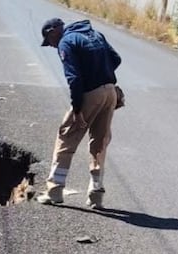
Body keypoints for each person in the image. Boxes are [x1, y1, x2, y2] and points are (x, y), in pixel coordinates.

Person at [37, 17, 121, 209]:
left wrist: (77, 109)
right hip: (110, 92)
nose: (51, 46)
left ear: (52, 32)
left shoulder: (66, 42)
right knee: (99, 142)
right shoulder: (94, 34)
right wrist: (100, 75)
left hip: (90, 93)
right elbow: (116, 59)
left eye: (49, 41)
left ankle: (55, 190)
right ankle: (96, 194)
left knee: (66, 137)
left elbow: (74, 79)